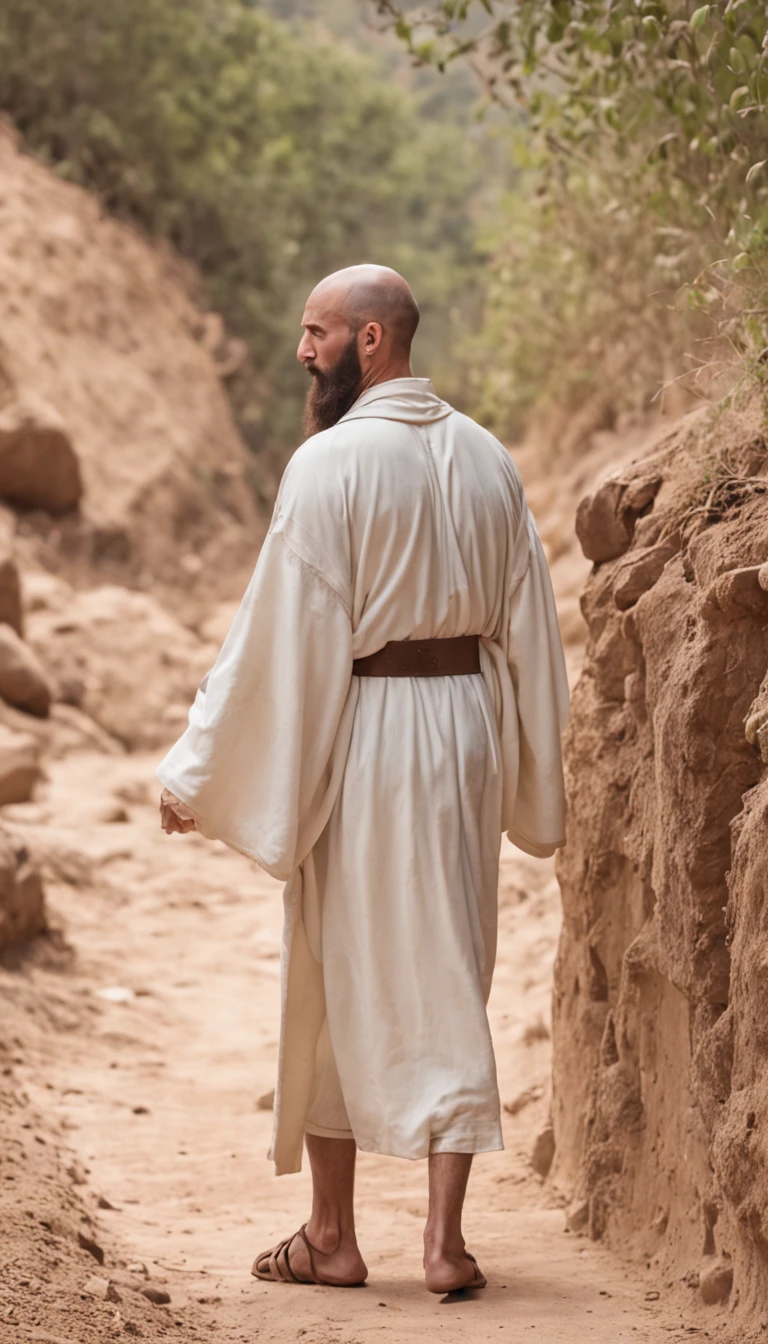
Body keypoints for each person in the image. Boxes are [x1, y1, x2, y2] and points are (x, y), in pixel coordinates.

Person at [157, 263, 569, 1294]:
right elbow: (533, 635)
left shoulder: (330, 467)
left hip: (372, 737)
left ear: (372, 341)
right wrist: (532, 774)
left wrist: (198, 771)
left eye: (317, 332)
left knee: (335, 971)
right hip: (469, 729)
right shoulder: (491, 459)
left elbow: (275, 640)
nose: (304, 350)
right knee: (451, 967)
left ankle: (336, 1234)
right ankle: (441, 1244)